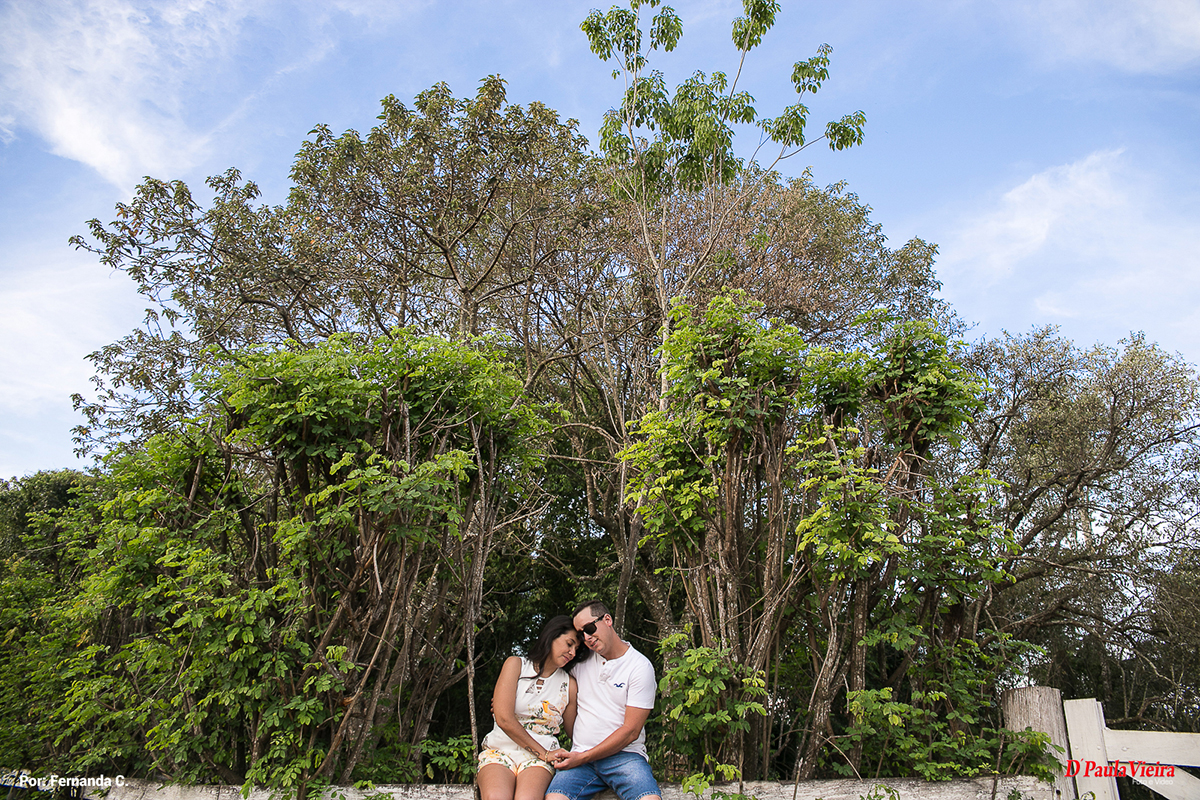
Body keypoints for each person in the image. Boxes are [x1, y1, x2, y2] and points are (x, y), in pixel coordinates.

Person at [544, 600, 662, 800]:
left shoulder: (639, 667)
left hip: (624, 757)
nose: (587, 638)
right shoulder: (580, 661)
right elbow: (546, 673)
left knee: (650, 799)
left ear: (607, 620)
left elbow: (631, 731)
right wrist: (510, 698)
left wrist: (583, 757)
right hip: (582, 759)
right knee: (555, 798)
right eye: (581, 634)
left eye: (590, 628)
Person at [477, 615, 581, 800]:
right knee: (495, 797)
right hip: (500, 749)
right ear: (552, 636)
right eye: (569, 643)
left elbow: (576, 733)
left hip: (539, 760)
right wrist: (545, 753)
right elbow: (503, 718)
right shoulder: (516, 665)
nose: (572, 652)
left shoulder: (569, 684)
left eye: (576, 649)